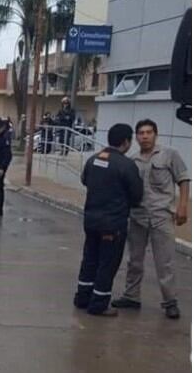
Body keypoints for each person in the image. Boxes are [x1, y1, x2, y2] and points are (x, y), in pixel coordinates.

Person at [112, 119, 190, 319]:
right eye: (141, 133)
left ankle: (170, 302)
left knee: (165, 262)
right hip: (138, 216)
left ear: (156, 134)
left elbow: (183, 179)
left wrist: (183, 206)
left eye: (148, 132)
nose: (145, 136)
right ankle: (131, 296)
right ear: (135, 137)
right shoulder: (132, 160)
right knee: (134, 260)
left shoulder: (169, 155)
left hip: (161, 216)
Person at [74, 123, 143, 316]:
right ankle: (99, 303)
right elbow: (137, 194)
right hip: (113, 223)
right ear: (126, 142)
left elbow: (85, 180)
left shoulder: (94, 159)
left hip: (91, 219)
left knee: (90, 259)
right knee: (107, 263)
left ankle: (82, 297)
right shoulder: (127, 165)